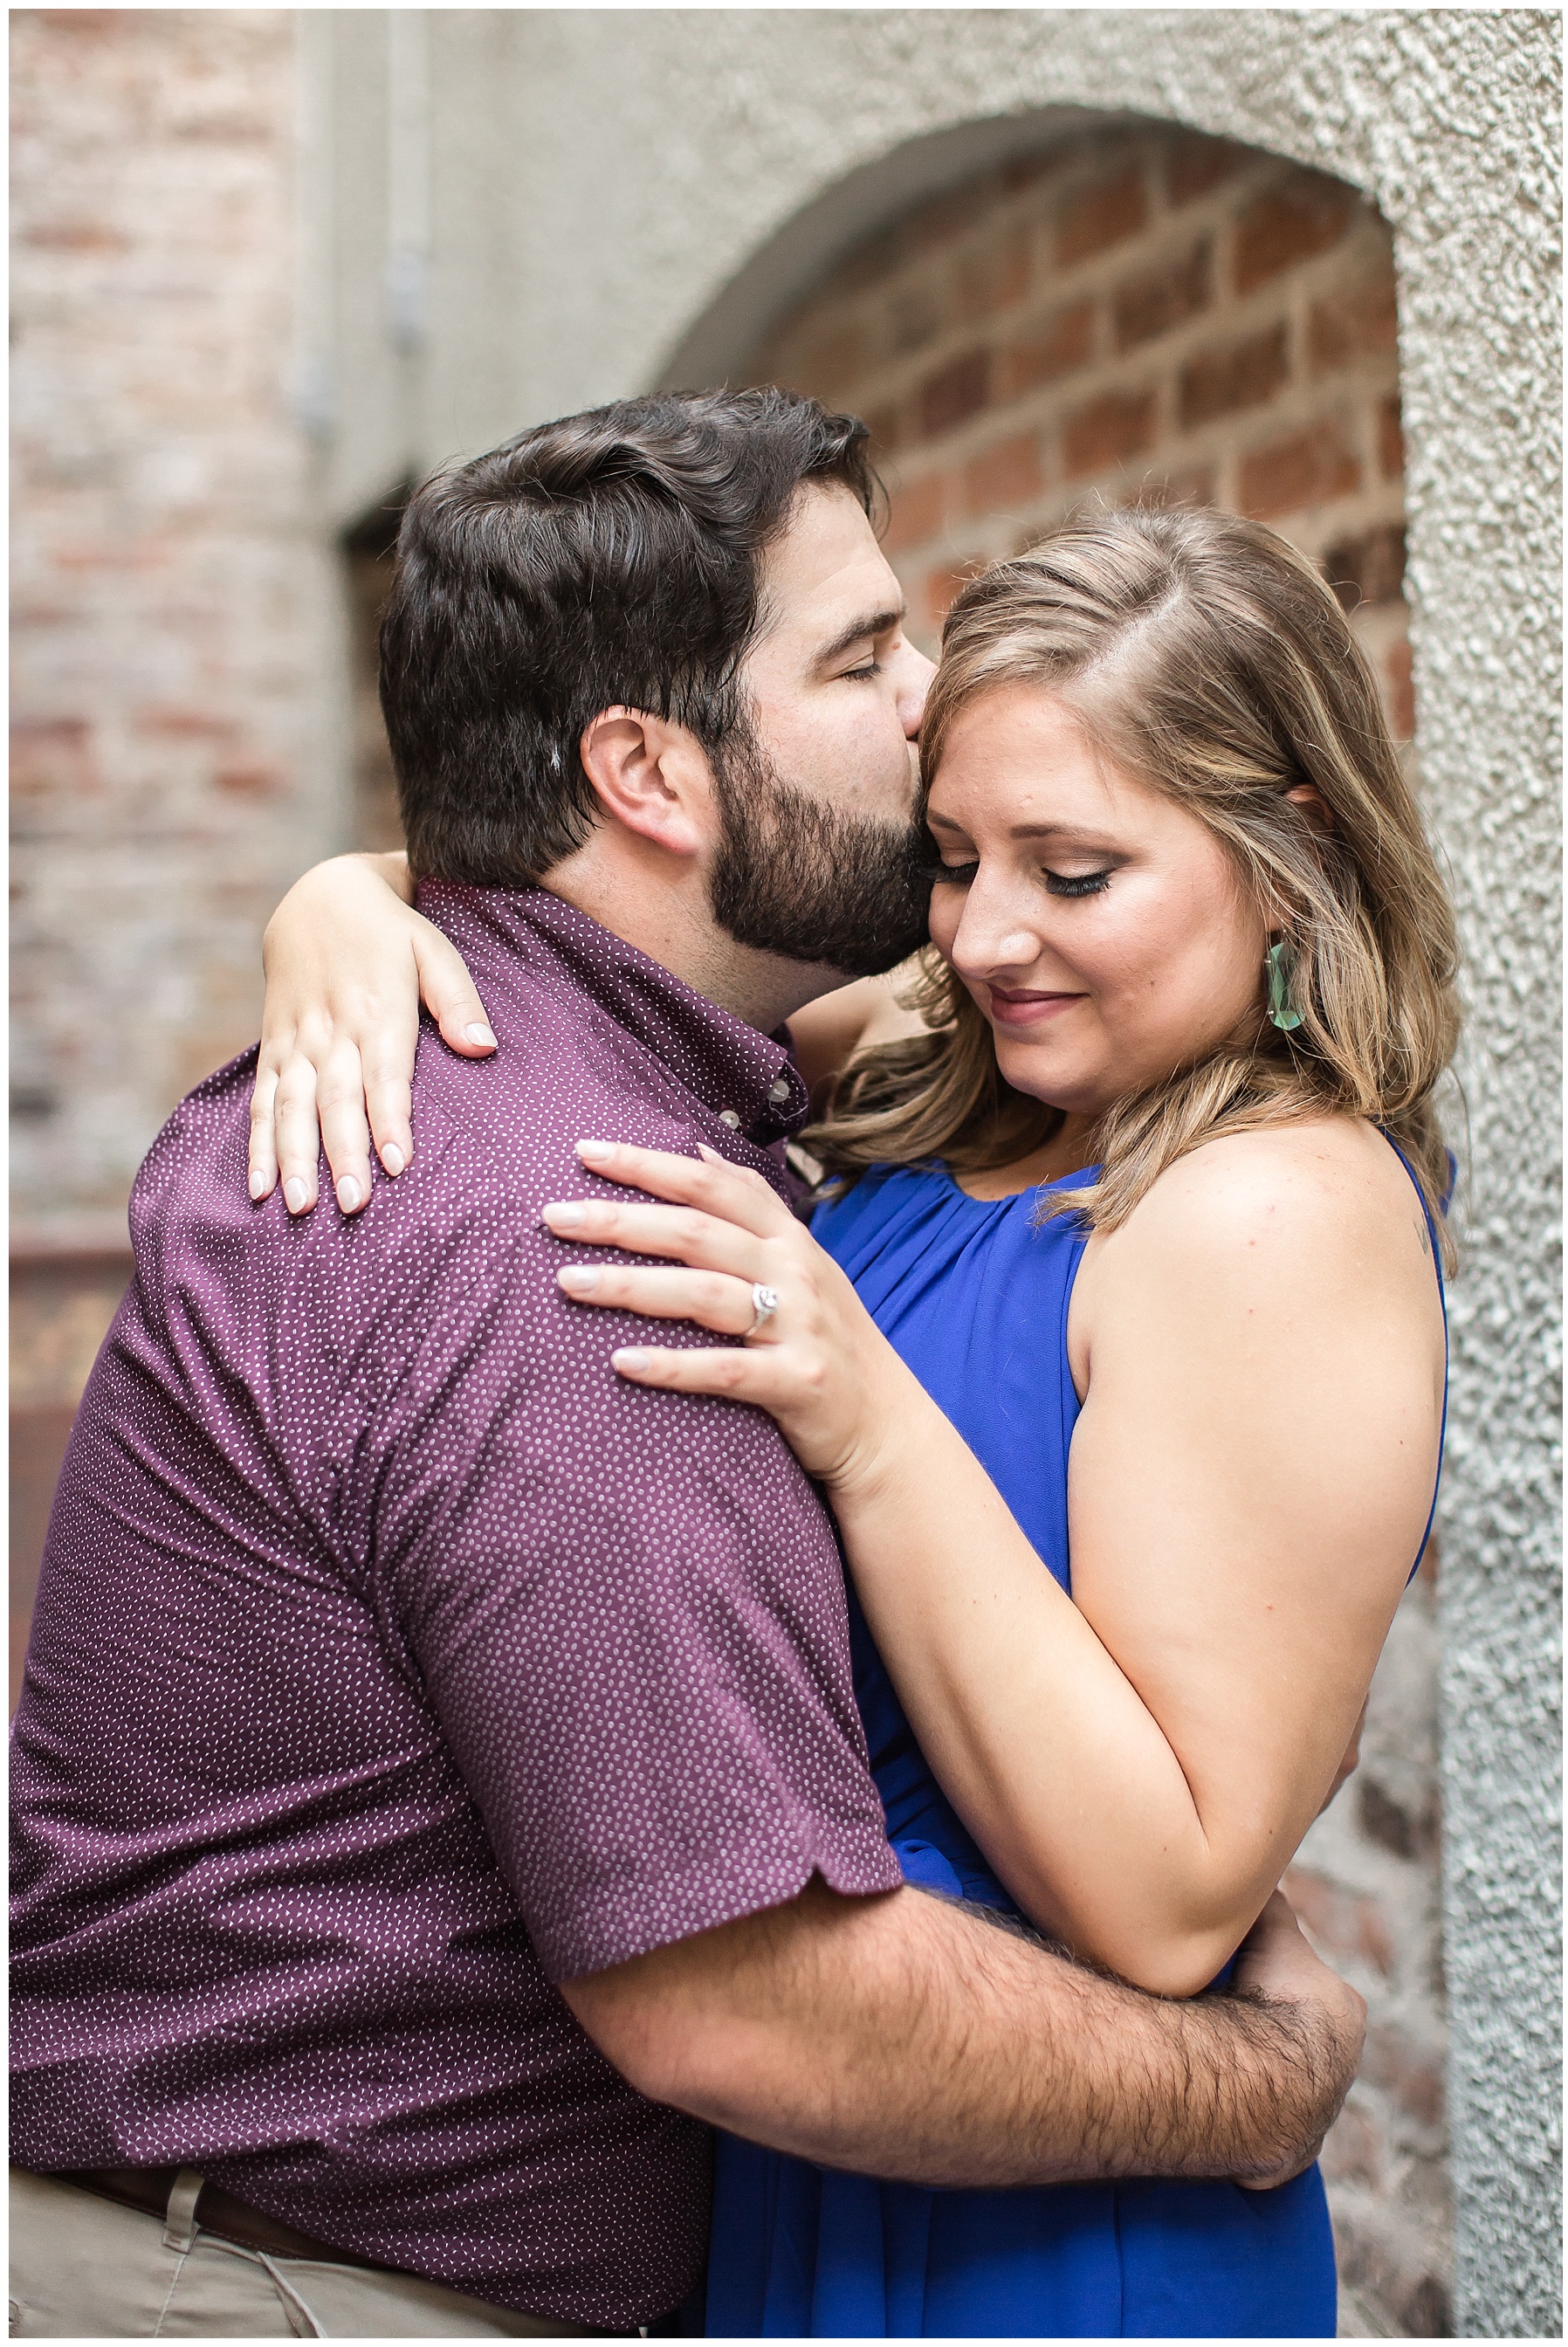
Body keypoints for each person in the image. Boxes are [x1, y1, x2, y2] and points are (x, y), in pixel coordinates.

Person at [9, 396, 1365, 2342]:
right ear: (647, 770)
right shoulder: (567, 1213)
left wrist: (349, 889)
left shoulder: (640, 1097)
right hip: (323, 2295)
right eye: (860, 653)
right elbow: (734, 1995)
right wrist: (1261, 2082)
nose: (925, 700)